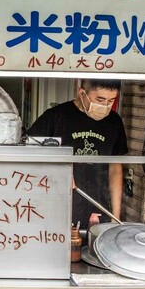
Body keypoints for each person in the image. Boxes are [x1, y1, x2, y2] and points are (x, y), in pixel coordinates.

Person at [26, 79, 128, 227]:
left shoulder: (114, 122)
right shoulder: (55, 117)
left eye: (110, 101)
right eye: (100, 99)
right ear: (82, 93)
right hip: (57, 207)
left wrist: (115, 216)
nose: (105, 105)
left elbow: (115, 169)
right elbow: (30, 156)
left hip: (99, 207)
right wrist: (59, 171)